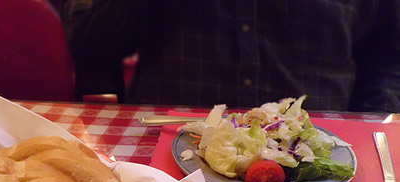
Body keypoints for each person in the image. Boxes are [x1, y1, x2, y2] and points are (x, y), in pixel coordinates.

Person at [62, 1, 400, 112]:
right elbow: (87, 46)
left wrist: (374, 132)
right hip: (167, 166)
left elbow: (389, 60)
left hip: (324, 172)